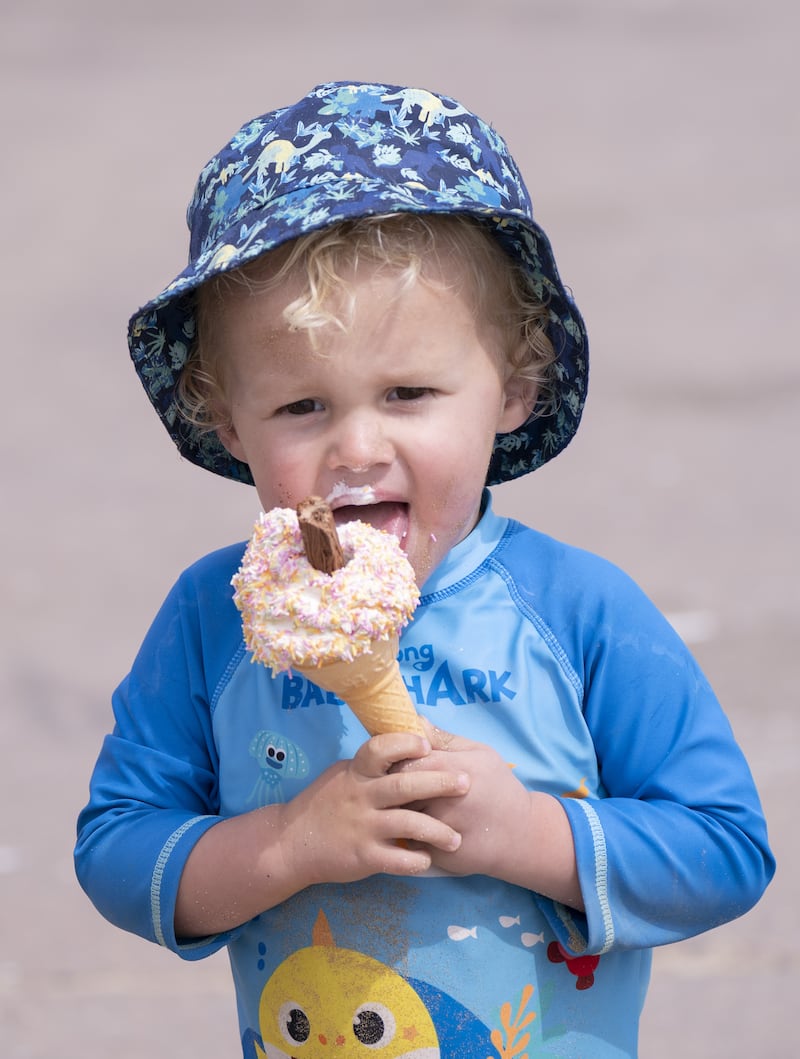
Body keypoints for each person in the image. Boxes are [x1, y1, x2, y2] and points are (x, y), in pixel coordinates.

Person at [75, 81, 774, 1058]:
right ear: (226, 420)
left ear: (512, 389)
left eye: (408, 393)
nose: (356, 446)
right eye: (300, 408)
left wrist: (528, 836)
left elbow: (726, 852)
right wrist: (287, 848)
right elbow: (116, 852)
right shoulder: (211, 617)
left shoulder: (577, 612)